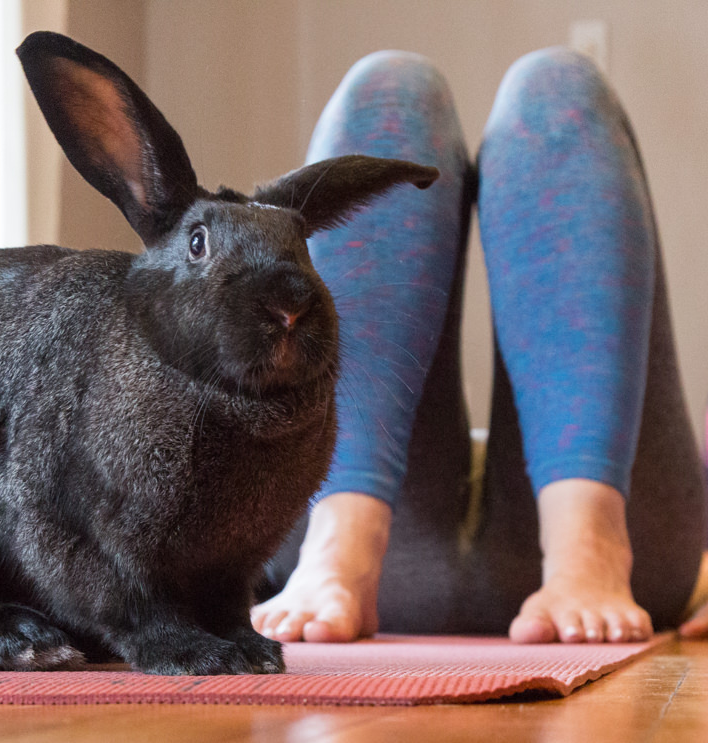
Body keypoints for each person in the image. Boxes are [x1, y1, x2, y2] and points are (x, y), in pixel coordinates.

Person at [251, 47, 708, 644]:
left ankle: (588, 544)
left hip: (637, 548)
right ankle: (340, 544)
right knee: (390, 88)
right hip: (366, 546)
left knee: (555, 88)